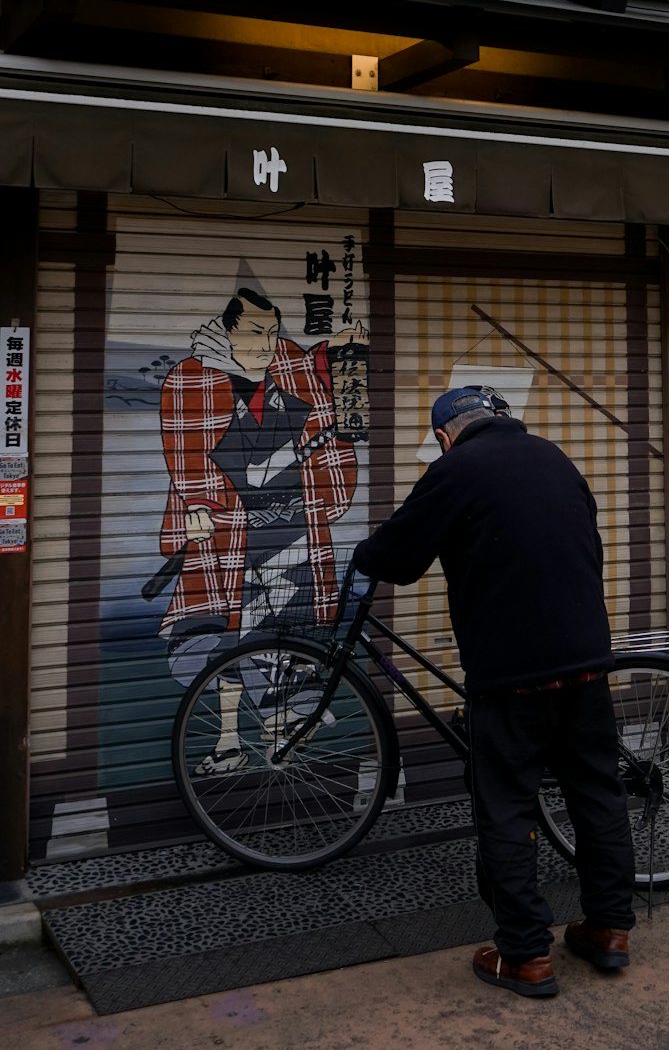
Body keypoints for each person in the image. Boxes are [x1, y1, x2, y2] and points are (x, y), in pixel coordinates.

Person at [352, 385, 636, 999]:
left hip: (513, 674)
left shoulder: (457, 469)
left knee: (505, 804)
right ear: (504, 420)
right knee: (597, 792)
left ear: (445, 436)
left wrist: (360, 553)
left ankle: (526, 956)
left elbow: (398, 558)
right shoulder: (555, 457)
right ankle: (610, 930)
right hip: (586, 659)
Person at [156, 288, 364, 772]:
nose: (266, 342)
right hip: (227, 535)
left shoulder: (288, 365)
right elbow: (186, 451)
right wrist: (200, 505)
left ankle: (277, 740)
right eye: (253, 332)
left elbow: (321, 408)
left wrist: (336, 353)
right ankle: (229, 741)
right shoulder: (191, 377)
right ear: (227, 330)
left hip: (291, 529)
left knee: (283, 637)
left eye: (272, 332)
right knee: (230, 633)